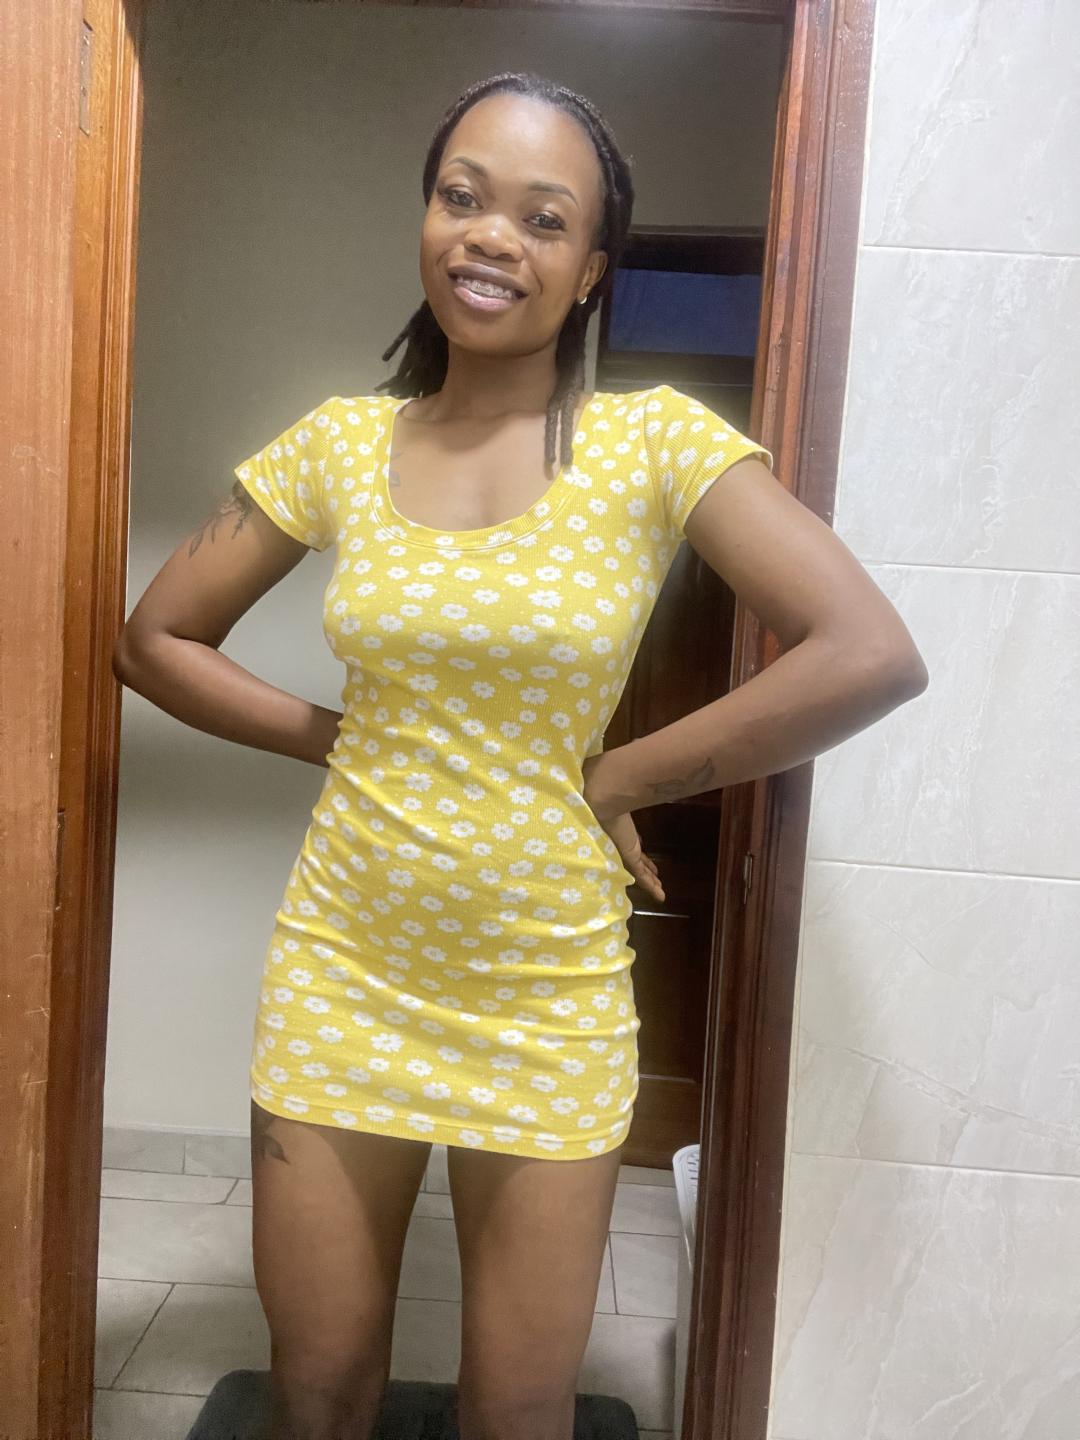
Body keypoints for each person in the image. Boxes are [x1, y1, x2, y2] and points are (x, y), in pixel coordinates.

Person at [114, 69, 928, 1440]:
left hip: (547, 992)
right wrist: (341, 738)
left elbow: (866, 650)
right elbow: (156, 639)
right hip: (344, 972)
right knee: (318, 1390)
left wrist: (623, 776)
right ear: (427, 218)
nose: (493, 236)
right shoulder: (338, 442)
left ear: (592, 266)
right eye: (463, 197)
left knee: (519, 1408)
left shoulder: (654, 443)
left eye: (545, 218)